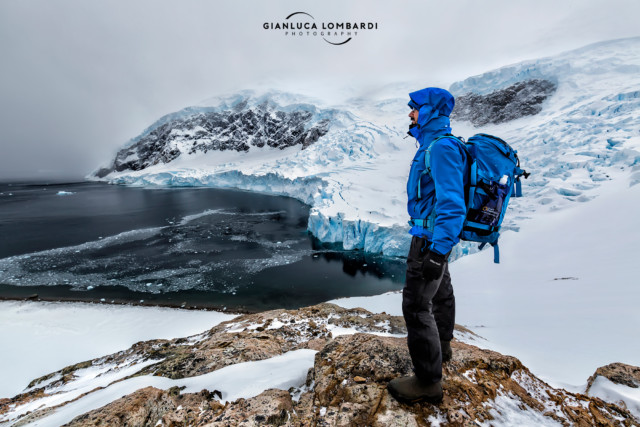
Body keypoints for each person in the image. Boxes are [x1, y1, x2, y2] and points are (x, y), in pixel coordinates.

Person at [387, 87, 469, 404]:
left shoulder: (440, 149)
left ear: (431, 111)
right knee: (441, 290)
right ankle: (443, 346)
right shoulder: (434, 145)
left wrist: (436, 250)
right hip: (431, 237)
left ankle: (428, 382)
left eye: (415, 108)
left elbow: (452, 205)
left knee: (417, 306)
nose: (410, 113)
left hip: (428, 240)